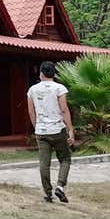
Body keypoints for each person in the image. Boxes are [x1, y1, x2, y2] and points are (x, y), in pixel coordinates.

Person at [27, 61, 74, 203]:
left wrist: (37, 127)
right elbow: (64, 109)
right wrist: (70, 129)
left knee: (44, 163)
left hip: (41, 131)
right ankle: (60, 186)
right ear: (54, 74)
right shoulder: (59, 88)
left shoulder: (32, 90)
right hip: (57, 129)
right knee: (65, 159)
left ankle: (48, 193)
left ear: (41, 73)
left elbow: (31, 111)